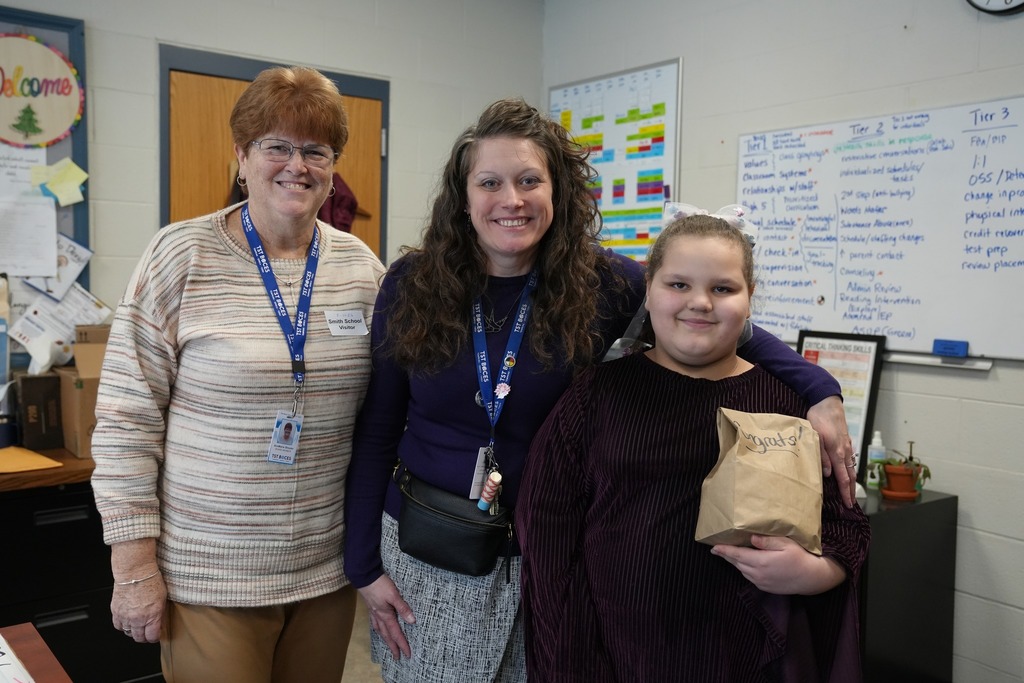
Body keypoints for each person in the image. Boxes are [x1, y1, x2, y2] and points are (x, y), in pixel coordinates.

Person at [343, 98, 859, 683]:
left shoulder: (600, 283)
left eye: (529, 180)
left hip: (549, 559)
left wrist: (820, 390)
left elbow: (706, 313)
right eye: (490, 182)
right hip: (430, 551)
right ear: (463, 199)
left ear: (557, 191)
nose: (511, 200)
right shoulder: (412, 284)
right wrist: (362, 565)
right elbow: (378, 429)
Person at [90, 65, 386, 683]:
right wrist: (134, 570)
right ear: (241, 156)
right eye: (275, 147)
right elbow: (125, 421)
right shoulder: (181, 255)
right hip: (211, 576)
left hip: (323, 571)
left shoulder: (361, 268)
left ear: (333, 165)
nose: (296, 166)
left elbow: (387, 408)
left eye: (315, 151)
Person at [517, 208, 871, 682]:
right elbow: (544, 528)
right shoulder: (596, 395)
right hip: (612, 652)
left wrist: (820, 572)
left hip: (745, 656)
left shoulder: (788, 406)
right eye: (678, 284)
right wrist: (569, 650)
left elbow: (847, 526)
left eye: (723, 288)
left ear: (750, 300)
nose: (700, 303)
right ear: (649, 291)